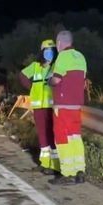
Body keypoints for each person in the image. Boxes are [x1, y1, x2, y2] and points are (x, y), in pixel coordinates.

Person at [48, 30, 87, 185]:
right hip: (76, 105)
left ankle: (67, 173)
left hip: (63, 105)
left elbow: (56, 80)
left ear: (59, 43)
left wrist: (49, 81)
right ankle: (79, 170)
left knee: (62, 138)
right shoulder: (81, 57)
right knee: (75, 137)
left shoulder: (63, 56)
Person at [19, 39, 60, 175]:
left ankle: (54, 166)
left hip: (51, 106)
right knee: (42, 135)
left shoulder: (57, 66)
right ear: (42, 52)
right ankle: (44, 163)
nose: (49, 54)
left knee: (52, 135)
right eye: (47, 51)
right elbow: (22, 75)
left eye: (52, 51)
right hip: (38, 107)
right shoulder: (36, 66)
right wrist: (31, 88)